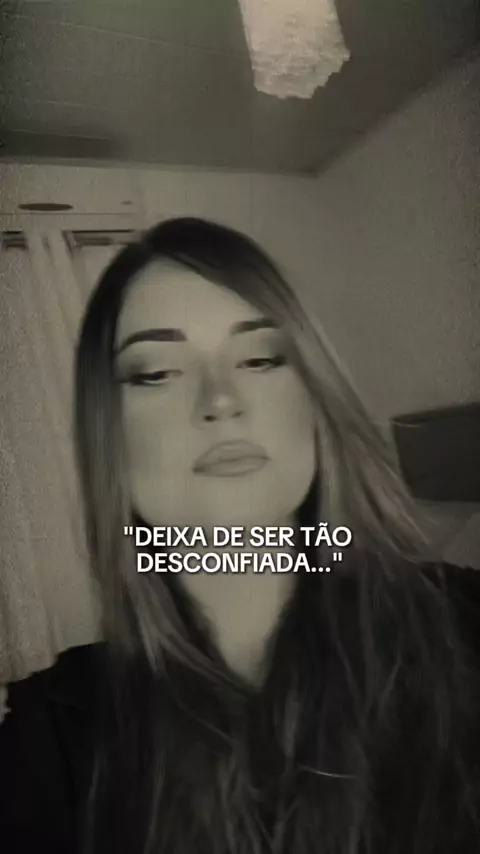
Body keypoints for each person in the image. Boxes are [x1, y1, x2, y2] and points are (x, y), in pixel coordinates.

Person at [1, 217, 480, 854]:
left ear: (315, 402)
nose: (221, 399)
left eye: (260, 359)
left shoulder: (463, 626)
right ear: (106, 434)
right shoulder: (54, 738)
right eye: (155, 372)